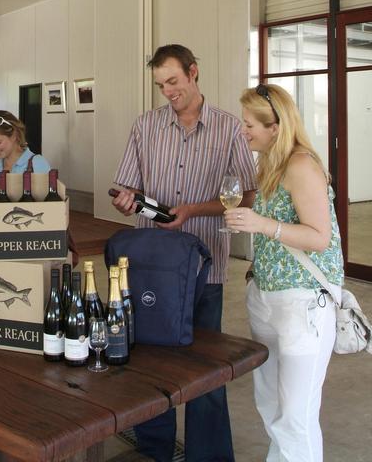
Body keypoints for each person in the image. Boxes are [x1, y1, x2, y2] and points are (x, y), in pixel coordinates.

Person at [111, 44, 257, 462]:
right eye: (160, 85)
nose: (168, 92)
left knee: (206, 371)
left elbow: (245, 196)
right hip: (152, 267)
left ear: (194, 72)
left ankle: (208, 456)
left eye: (173, 81)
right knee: (150, 365)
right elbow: (129, 186)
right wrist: (128, 200)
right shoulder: (145, 126)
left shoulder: (230, 128)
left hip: (204, 266)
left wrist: (193, 210)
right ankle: (153, 451)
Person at [223, 84, 343, 462]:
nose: (243, 131)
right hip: (267, 297)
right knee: (271, 405)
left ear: (275, 127)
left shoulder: (301, 165)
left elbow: (319, 237)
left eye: (249, 125)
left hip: (302, 303)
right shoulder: (270, 163)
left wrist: (260, 224)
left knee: (295, 418)